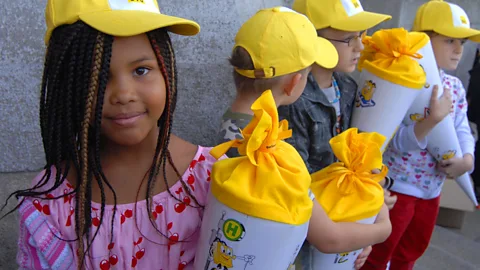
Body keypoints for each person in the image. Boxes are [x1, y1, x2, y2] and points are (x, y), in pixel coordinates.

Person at [6, 0, 221, 268]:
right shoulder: (50, 206)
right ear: (67, 85)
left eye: (141, 70)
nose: (123, 95)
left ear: (166, 68)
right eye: (95, 77)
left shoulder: (218, 180)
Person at [217, 6, 392, 270]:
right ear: (293, 84)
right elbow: (328, 238)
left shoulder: (235, 129)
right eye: (308, 74)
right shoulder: (268, 149)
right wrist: (383, 227)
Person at [274, 0, 394, 268]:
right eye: (349, 38)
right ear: (312, 39)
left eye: (361, 36)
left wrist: (374, 192)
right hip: (309, 233)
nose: (360, 47)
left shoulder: (349, 87)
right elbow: (298, 181)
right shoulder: (294, 100)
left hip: (343, 223)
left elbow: (356, 154)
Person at [363, 1, 479, 269]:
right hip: (397, 189)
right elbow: (391, 140)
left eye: (462, 41)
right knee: (379, 253)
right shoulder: (400, 81)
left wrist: (467, 159)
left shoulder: (455, 86)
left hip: (432, 190)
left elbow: (462, 127)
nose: (459, 49)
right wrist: (431, 122)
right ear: (423, 40)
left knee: (412, 250)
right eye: (450, 40)